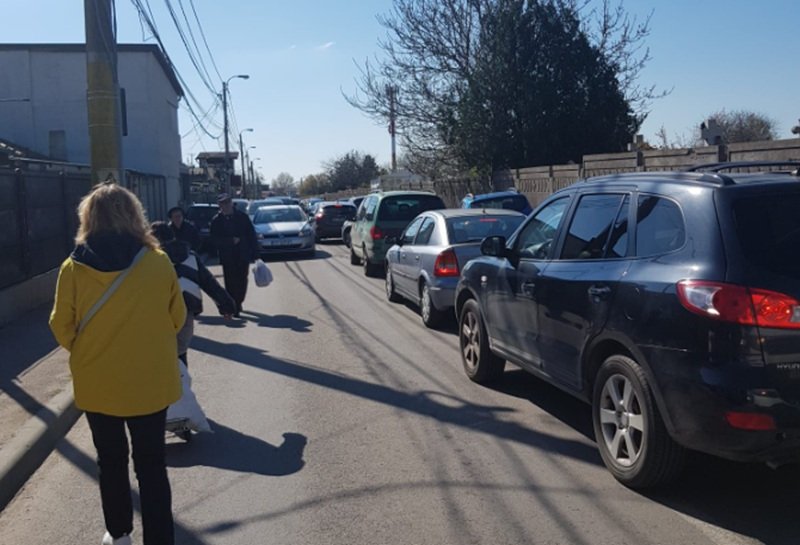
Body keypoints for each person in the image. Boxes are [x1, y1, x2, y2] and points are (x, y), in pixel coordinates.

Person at [49, 183, 185, 545]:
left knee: (110, 462)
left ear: (88, 217)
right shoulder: (158, 262)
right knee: (152, 465)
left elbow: (61, 325)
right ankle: (160, 539)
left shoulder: (73, 268)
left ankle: (119, 533)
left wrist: (88, 350)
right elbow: (177, 317)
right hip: (151, 382)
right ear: (134, 214)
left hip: (99, 383)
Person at [150, 220, 236, 366]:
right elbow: (209, 283)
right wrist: (226, 306)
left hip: (161, 309)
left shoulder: (150, 259)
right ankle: (182, 383)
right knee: (180, 351)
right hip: (187, 306)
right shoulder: (190, 256)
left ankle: (169, 382)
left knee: (163, 351)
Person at [209, 193, 258, 317]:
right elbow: (213, 239)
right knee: (230, 281)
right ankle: (233, 305)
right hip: (227, 256)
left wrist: (255, 253)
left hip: (242, 254)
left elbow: (251, 235)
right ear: (219, 205)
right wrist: (229, 241)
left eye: (227, 203)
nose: (225, 206)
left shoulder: (242, 217)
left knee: (242, 279)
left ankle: (239, 301)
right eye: (222, 203)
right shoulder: (217, 220)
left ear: (231, 203)